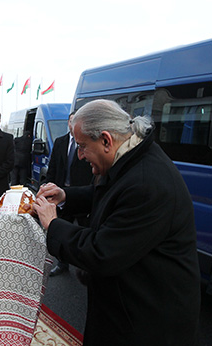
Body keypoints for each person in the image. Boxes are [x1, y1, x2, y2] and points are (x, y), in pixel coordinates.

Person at [33, 99, 201, 345]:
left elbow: (101, 253)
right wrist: (66, 196)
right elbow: (111, 195)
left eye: (81, 146)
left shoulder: (147, 183)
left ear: (105, 140)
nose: (79, 156)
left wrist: (53, 224)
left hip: (145, 323)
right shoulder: (133, 158)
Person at [43, 112, 92, 276]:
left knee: (86, 230)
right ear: (69, 123)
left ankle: (86, 266)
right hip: (61, 194)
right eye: (71, 121)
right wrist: (49, 187)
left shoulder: (88, 144)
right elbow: (53, 166)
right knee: (62, 227)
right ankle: (62, 264)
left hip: (82, 194)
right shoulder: (60, 142)